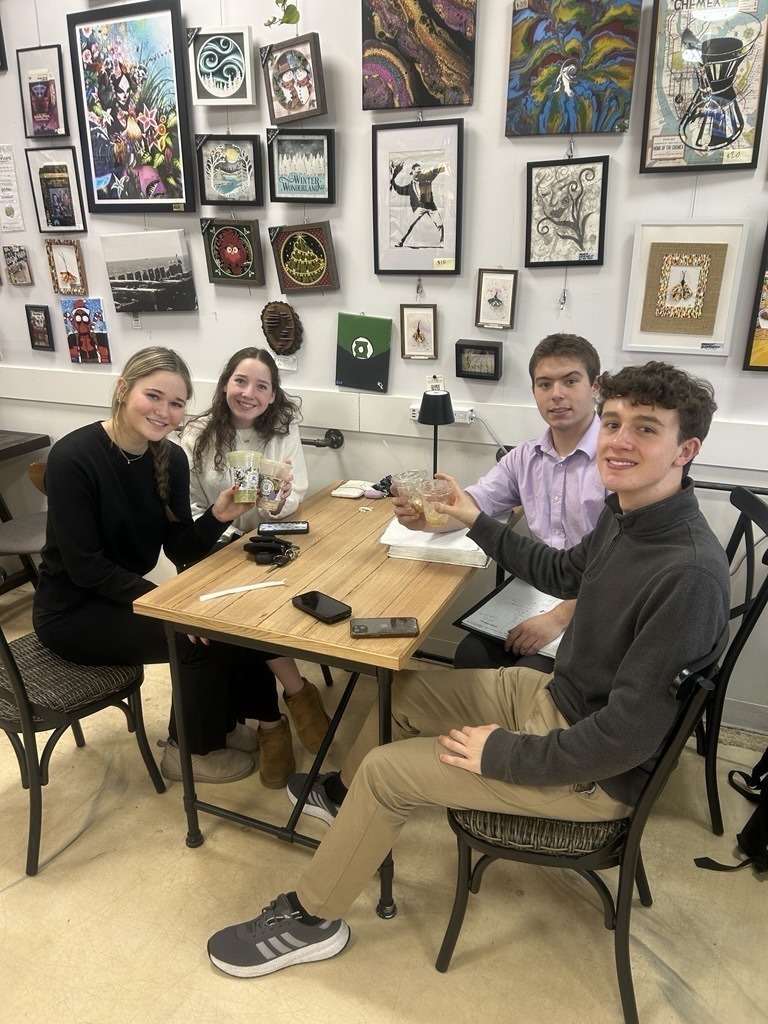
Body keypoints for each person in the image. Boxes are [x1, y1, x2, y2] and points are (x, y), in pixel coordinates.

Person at [206, 360, 730, 978]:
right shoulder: (628, 513)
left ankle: (314, 916)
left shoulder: (687, 573)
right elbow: (563, 573)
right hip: (556, 699)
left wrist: (503, 755)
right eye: (613, 422)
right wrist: (471, 517)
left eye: (645, 429)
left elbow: (626, 738)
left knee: (386, 772)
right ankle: (341, 801)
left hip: (594, 770)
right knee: (397, 688)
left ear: (684, 450)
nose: (618, 439)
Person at [33, 346, 283, 786]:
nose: (164, 412)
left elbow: (181, 545)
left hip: (121, 595)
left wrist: (217, 517)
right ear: (123, 389)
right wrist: (163, 603)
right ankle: (189, 752)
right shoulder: (74, 458)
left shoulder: (171, 457)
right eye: (154, 396)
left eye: (176, 403)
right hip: (71, 612)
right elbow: (86, 568)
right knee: (191, 636)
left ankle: (223, 726)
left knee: (223, 619)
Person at [394, 332, 607, 672]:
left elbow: (625, 569)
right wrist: (427, 517)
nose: (557, 395)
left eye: (570, 381)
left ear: (596, 387)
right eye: (545, 384)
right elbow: (473, 505)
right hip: (536, 591)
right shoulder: (525, 458)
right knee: (471, 655)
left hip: (598, 602)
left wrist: (559, 616)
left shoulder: (617, 460)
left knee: (531, 676)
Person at [179, 347, 328, 787]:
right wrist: (216, 528)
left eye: (262, 386)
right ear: (226, 383)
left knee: (255, 607)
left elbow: (295, 492)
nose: (249, 393)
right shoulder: (194, 432)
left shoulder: (281, 431)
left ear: (272, 395)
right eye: (241, 381)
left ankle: (272, 720)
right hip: (209, 545)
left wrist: (279, 501)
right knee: (241, 615)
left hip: (267, 539)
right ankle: (289, 701)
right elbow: (183, 504)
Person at [390, 160, 445, 247]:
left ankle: (443, 242)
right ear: (412, 172)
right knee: (409, 225)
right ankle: (400, 242)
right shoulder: (410, 186)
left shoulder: (427, 178)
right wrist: (392, 179)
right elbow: (399, 190)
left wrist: (445, 165)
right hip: (419, 208)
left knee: (439, 224)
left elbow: (436, 171)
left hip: (431, 206)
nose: (418, 173)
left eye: (420, 171)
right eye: (417, 171)